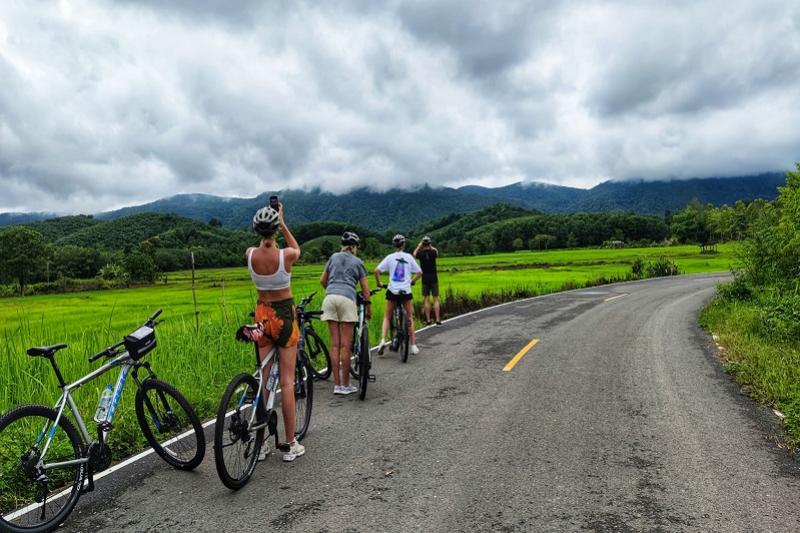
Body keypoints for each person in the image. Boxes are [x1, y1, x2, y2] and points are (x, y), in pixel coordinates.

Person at [245, 204, 305, 462]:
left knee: (264, 380)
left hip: (261, 315)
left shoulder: (250, 254)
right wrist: (284, 222)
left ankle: (261, 444)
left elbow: (259, 247)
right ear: (275, 229)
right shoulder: (285, 256)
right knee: (287, 382)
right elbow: (297, 249)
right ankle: (291, 444)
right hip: (283, 316)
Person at [320, 232, 372, 395]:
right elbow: (365, 290)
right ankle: (346, 384)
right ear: (354, 247)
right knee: (345, 345)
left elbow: (323, 280)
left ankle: (337, 385)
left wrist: (333, 290)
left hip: (329, 298)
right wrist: (368, 308)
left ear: (342, 246)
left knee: (335, 345)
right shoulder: (358, 262)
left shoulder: (333, 257)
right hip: (347, 299)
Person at [374, 234, 422, 355]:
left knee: (387, 316)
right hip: (405, 290)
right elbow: (419, 272)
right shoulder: (409, 257)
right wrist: (412, 281)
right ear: (403, 244)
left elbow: (376, 271)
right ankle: (413, 345)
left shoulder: (390, 257)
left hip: (392, 291)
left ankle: (383, 340)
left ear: (394, 245)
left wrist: (379, 283)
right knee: (409, 317)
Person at [413, 235, 441, 326]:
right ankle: (437, 319)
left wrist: (419, 246)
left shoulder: (420, 254)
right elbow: (437, 251)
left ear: (423, 244)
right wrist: (430, 246)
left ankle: (428, 320)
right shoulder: (433, 252)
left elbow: (414, 254)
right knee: (436, 298)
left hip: (424, 278)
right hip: (434, 277)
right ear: (429, 243)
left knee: (426, 299)